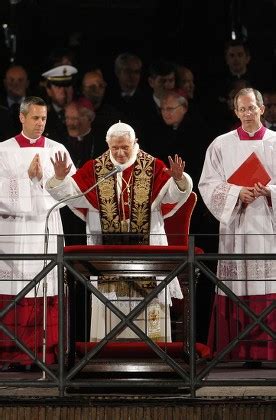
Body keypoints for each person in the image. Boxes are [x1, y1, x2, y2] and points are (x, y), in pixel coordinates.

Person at [46, 121, 193, 342]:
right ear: (108, 145)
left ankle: (153, 352)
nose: (120, 152)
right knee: (109, 303)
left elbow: (173, 195)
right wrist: (59, 179)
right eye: (115, 148)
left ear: (135, 144)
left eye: (125, 147)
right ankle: (106, 349)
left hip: (148, 250)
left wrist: (179, 179)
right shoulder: (96, 168)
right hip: (107, 253)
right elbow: (73, 195)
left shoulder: (152, 166)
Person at [198, 87, 276, 364]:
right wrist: (235, 194)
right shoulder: (221, 144)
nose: (247, 114)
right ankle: (237, 352)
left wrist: (270, 193)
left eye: (251, 108)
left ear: (262, 109)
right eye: (241, 109)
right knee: (237, 285)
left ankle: (269, 351)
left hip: (268, 227)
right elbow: (207, 184)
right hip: (236, 226)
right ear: (236, 112)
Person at [0, 96, 75, 371]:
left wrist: (55, 179)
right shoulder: (3, 150)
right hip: (15, 230)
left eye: (43, 118)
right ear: (22, 117)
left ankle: (47, 352)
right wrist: (26, 180)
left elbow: (71, 194)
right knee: (15, 288)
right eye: (35, 118)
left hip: (46, 226)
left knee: (46, 286)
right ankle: (11, 352)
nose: (40, 123)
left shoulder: (58, 150)